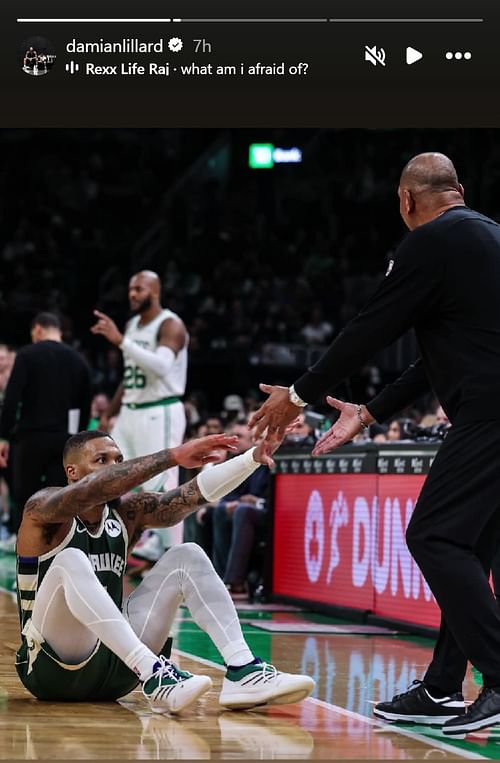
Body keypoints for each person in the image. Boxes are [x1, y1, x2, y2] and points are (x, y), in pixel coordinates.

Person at [249, 152, 500, 737]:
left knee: (433, 536)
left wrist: (300, 394)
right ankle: (442, 686)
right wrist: (370, 410)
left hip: (488, 413)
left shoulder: (430, 242)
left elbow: (372, 327)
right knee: (467, 549)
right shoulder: (486, 239)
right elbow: (432, 355)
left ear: (407, 202)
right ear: (458, 190)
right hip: (490, 409)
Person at [14, 429, 314, 713]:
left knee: (187, 555)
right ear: (72, 471)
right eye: (101, 460)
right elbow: (92, 490)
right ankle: (155, 672)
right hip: (50, 669)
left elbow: (192, 496)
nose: (115, 467)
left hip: (116, 673)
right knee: (70, 560)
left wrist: (251, 458)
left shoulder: (126, 515)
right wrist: (172, 456)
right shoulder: (42, 510)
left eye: (119, 459)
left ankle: (243, 670)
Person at [91, 270, 189, 557]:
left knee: (160, 481)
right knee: (108, 474)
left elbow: (160, 366)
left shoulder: (171, 324)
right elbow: (131, 372)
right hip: (131, 411)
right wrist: (110, 411)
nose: (133, 294)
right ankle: (109, 537)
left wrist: (121, 341)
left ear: (155, 291)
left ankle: (172, 549)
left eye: (140, 289)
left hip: (160, 410)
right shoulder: (133, 324)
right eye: (131, 288)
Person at [0, 313, 91, 549]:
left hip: (30, 438)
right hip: (65, 440)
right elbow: (85, 406)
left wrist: (3, 435)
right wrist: (77, 442)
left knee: (24, 496)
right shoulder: (79, 360)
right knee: (58, 497)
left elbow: (12, 399)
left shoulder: (27, 355)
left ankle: (24, 543)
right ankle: (55, 544)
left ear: (38, 330)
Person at [212, 423, 270, 594]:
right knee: (219, 510)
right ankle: (217, 577)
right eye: (257, 439)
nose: (259, 443)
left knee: (243, 511)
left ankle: (235, 582)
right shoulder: (251, 461)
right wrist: (231, 503)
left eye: (263, 439)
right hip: (249, 509)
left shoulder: (278, 460)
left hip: (273, 514)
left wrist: (257, 502)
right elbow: (232, 494)